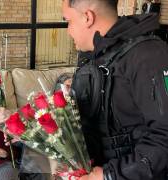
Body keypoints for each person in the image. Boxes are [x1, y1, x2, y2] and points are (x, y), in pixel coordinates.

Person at [62, 0, 168, 179]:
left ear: (88, 17)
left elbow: (164, 136)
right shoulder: (95, 57)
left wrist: (109, 176)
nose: (68, 30)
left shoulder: (149, 55)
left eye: (68, 21)